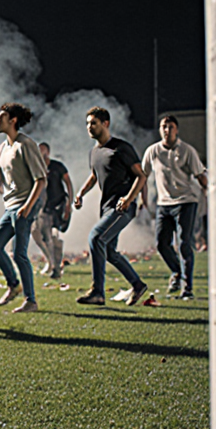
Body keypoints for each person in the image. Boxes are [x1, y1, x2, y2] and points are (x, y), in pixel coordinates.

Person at [0, 103, 47, 314]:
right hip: (11, 206)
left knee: (19, 253)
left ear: (13, 120)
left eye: (1, 118)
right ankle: (14, 285)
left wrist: (28, 206)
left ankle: (30, 300)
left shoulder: (26, 145)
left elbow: (41, 180)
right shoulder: (3, 147)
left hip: (24, 205)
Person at [74, 106, 149, 306]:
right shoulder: (94, 152)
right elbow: (94, 176)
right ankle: (138, 285)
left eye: (93, 123)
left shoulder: (121, 148)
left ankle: (98, 292)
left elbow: (141, 176)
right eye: (88, 123)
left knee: (96, 238)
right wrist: (81, 193)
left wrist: (129, 199)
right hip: (106, 206)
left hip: (121, 206)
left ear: (105, 124)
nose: (89, 127)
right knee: (108, 251)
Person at [140, 115, 207, 299]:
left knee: (184, 243)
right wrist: (140, 198)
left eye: (170, 127)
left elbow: (200, 175)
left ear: (177, 130)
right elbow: (142, 176)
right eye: (164, 126)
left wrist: (209, 192)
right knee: (161, 244)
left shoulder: (187, 151)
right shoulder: (152, 151)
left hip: (186, 202)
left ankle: (188, 289)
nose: (166, 130)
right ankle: (177, 272)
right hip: (164, 204)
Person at [30, 142, 72, 280]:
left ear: (48, 152)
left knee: (53, 236)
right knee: (39, 233)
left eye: (43, 151)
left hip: (58, 205)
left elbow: (68, 183)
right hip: (43, 207)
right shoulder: (35, 168)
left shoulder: (57, 166)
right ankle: (51, 262)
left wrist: (69, 204)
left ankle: (55, 266)